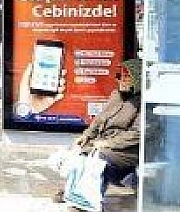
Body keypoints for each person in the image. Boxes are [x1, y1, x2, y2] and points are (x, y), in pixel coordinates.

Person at [54, 58, 142, 203]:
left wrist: (108, 143)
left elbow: (137, 133)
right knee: (80, 151)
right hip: (105, 142)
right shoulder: (116, 95)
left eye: (127, 77)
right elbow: (99, 119)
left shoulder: (143, 102)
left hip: (127, 149)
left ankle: (91, 198)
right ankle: (73, 189)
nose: (121, 80)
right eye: (120, 76)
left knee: (98, 158)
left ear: (137, 79)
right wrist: (86, 136)